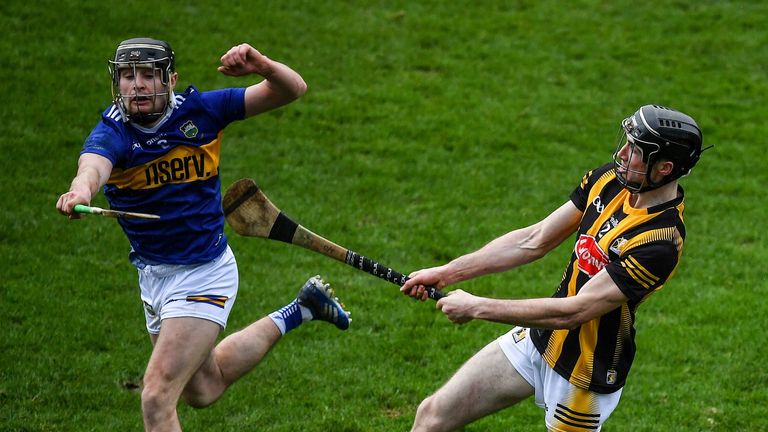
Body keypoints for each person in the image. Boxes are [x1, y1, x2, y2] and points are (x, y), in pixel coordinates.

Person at [56, 38, 350, 432]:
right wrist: (81, 190)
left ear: (171, 80)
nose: (137, 85)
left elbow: (291, 89)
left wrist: (262, 64)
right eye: (127, 76)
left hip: (204, 272)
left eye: (148, 75)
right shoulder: (114, 133)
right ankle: (303, 308)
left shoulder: (204, 111)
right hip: (154, 276)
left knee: (156, 397)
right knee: (204, 388)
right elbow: (93, 166)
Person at [401, 104, 707, 431]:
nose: (622, 152)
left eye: (635, 150)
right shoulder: (609, 181)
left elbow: (574, 312)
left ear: (664, 167)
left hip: (585, 375)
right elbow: (534, 239)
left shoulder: (659, 242)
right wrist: (448, 272)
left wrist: (476, 307)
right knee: (432, 415)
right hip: (541, 338)